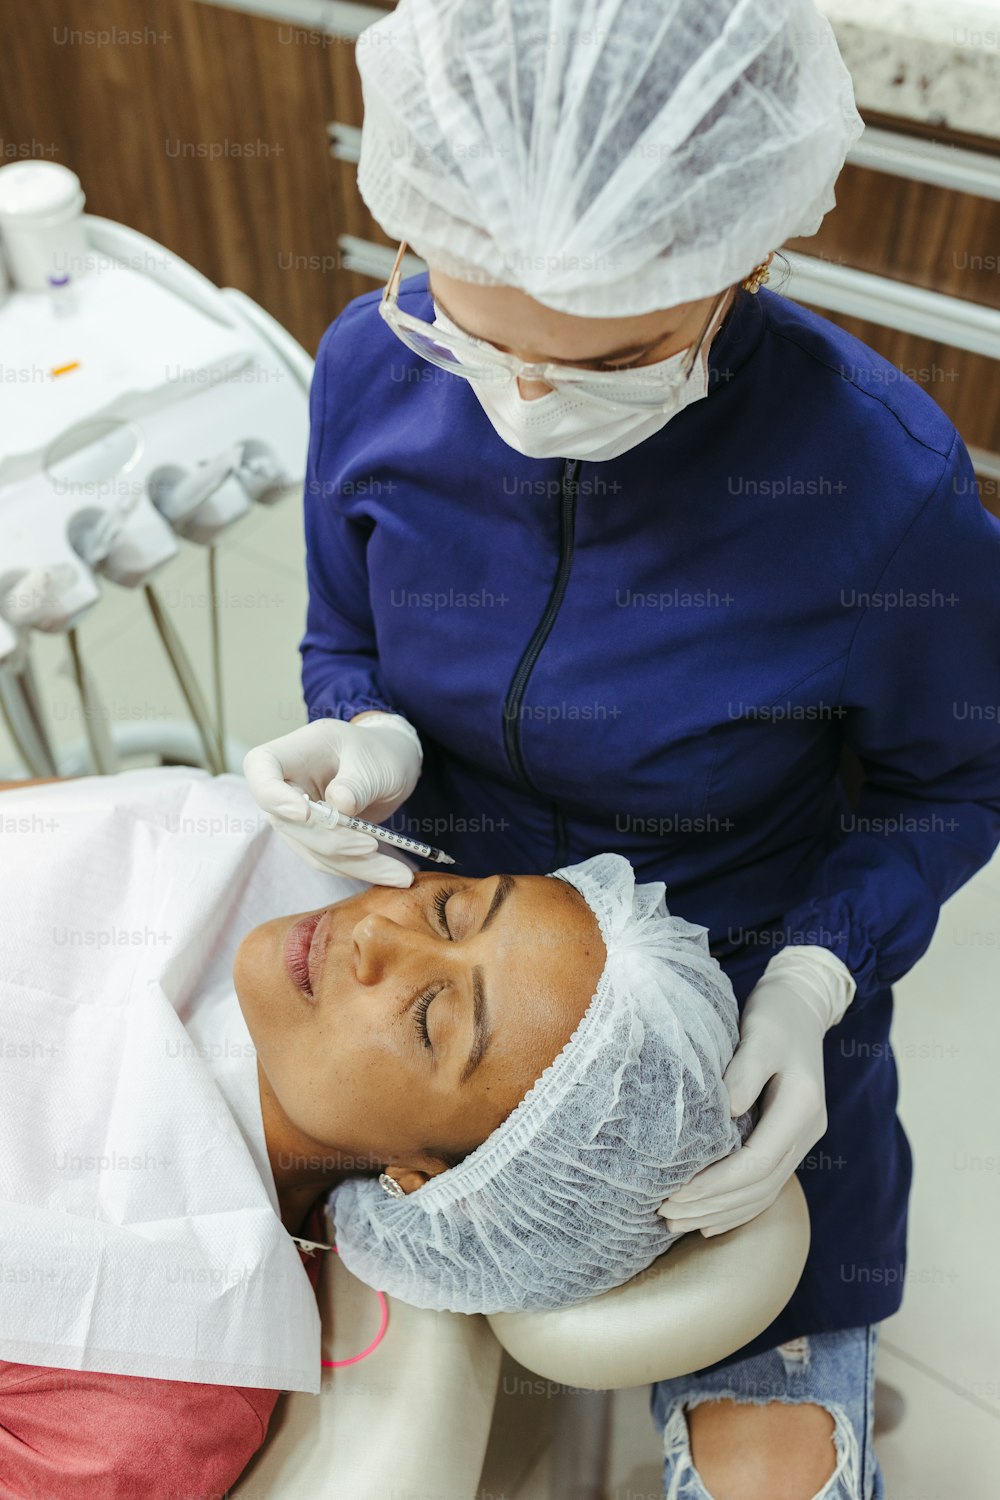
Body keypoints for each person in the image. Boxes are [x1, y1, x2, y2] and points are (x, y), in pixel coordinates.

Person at [243, 1, 1000, 1495]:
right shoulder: (369, 369)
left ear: (747, 258)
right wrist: (366, 734)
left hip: (723, 1010)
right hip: (437, 937)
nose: (529, 401)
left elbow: (954, 778)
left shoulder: (876, 488)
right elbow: (347, 628)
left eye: (617, 354)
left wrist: (810, 982)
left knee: (771, 1460)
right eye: (480, 334)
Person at [0, 769, 747, 1496]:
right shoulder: (242, 837)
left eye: (432, 1020)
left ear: (427, 1179)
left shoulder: (147, 1375)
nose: (377, 936)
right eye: (451, 909)